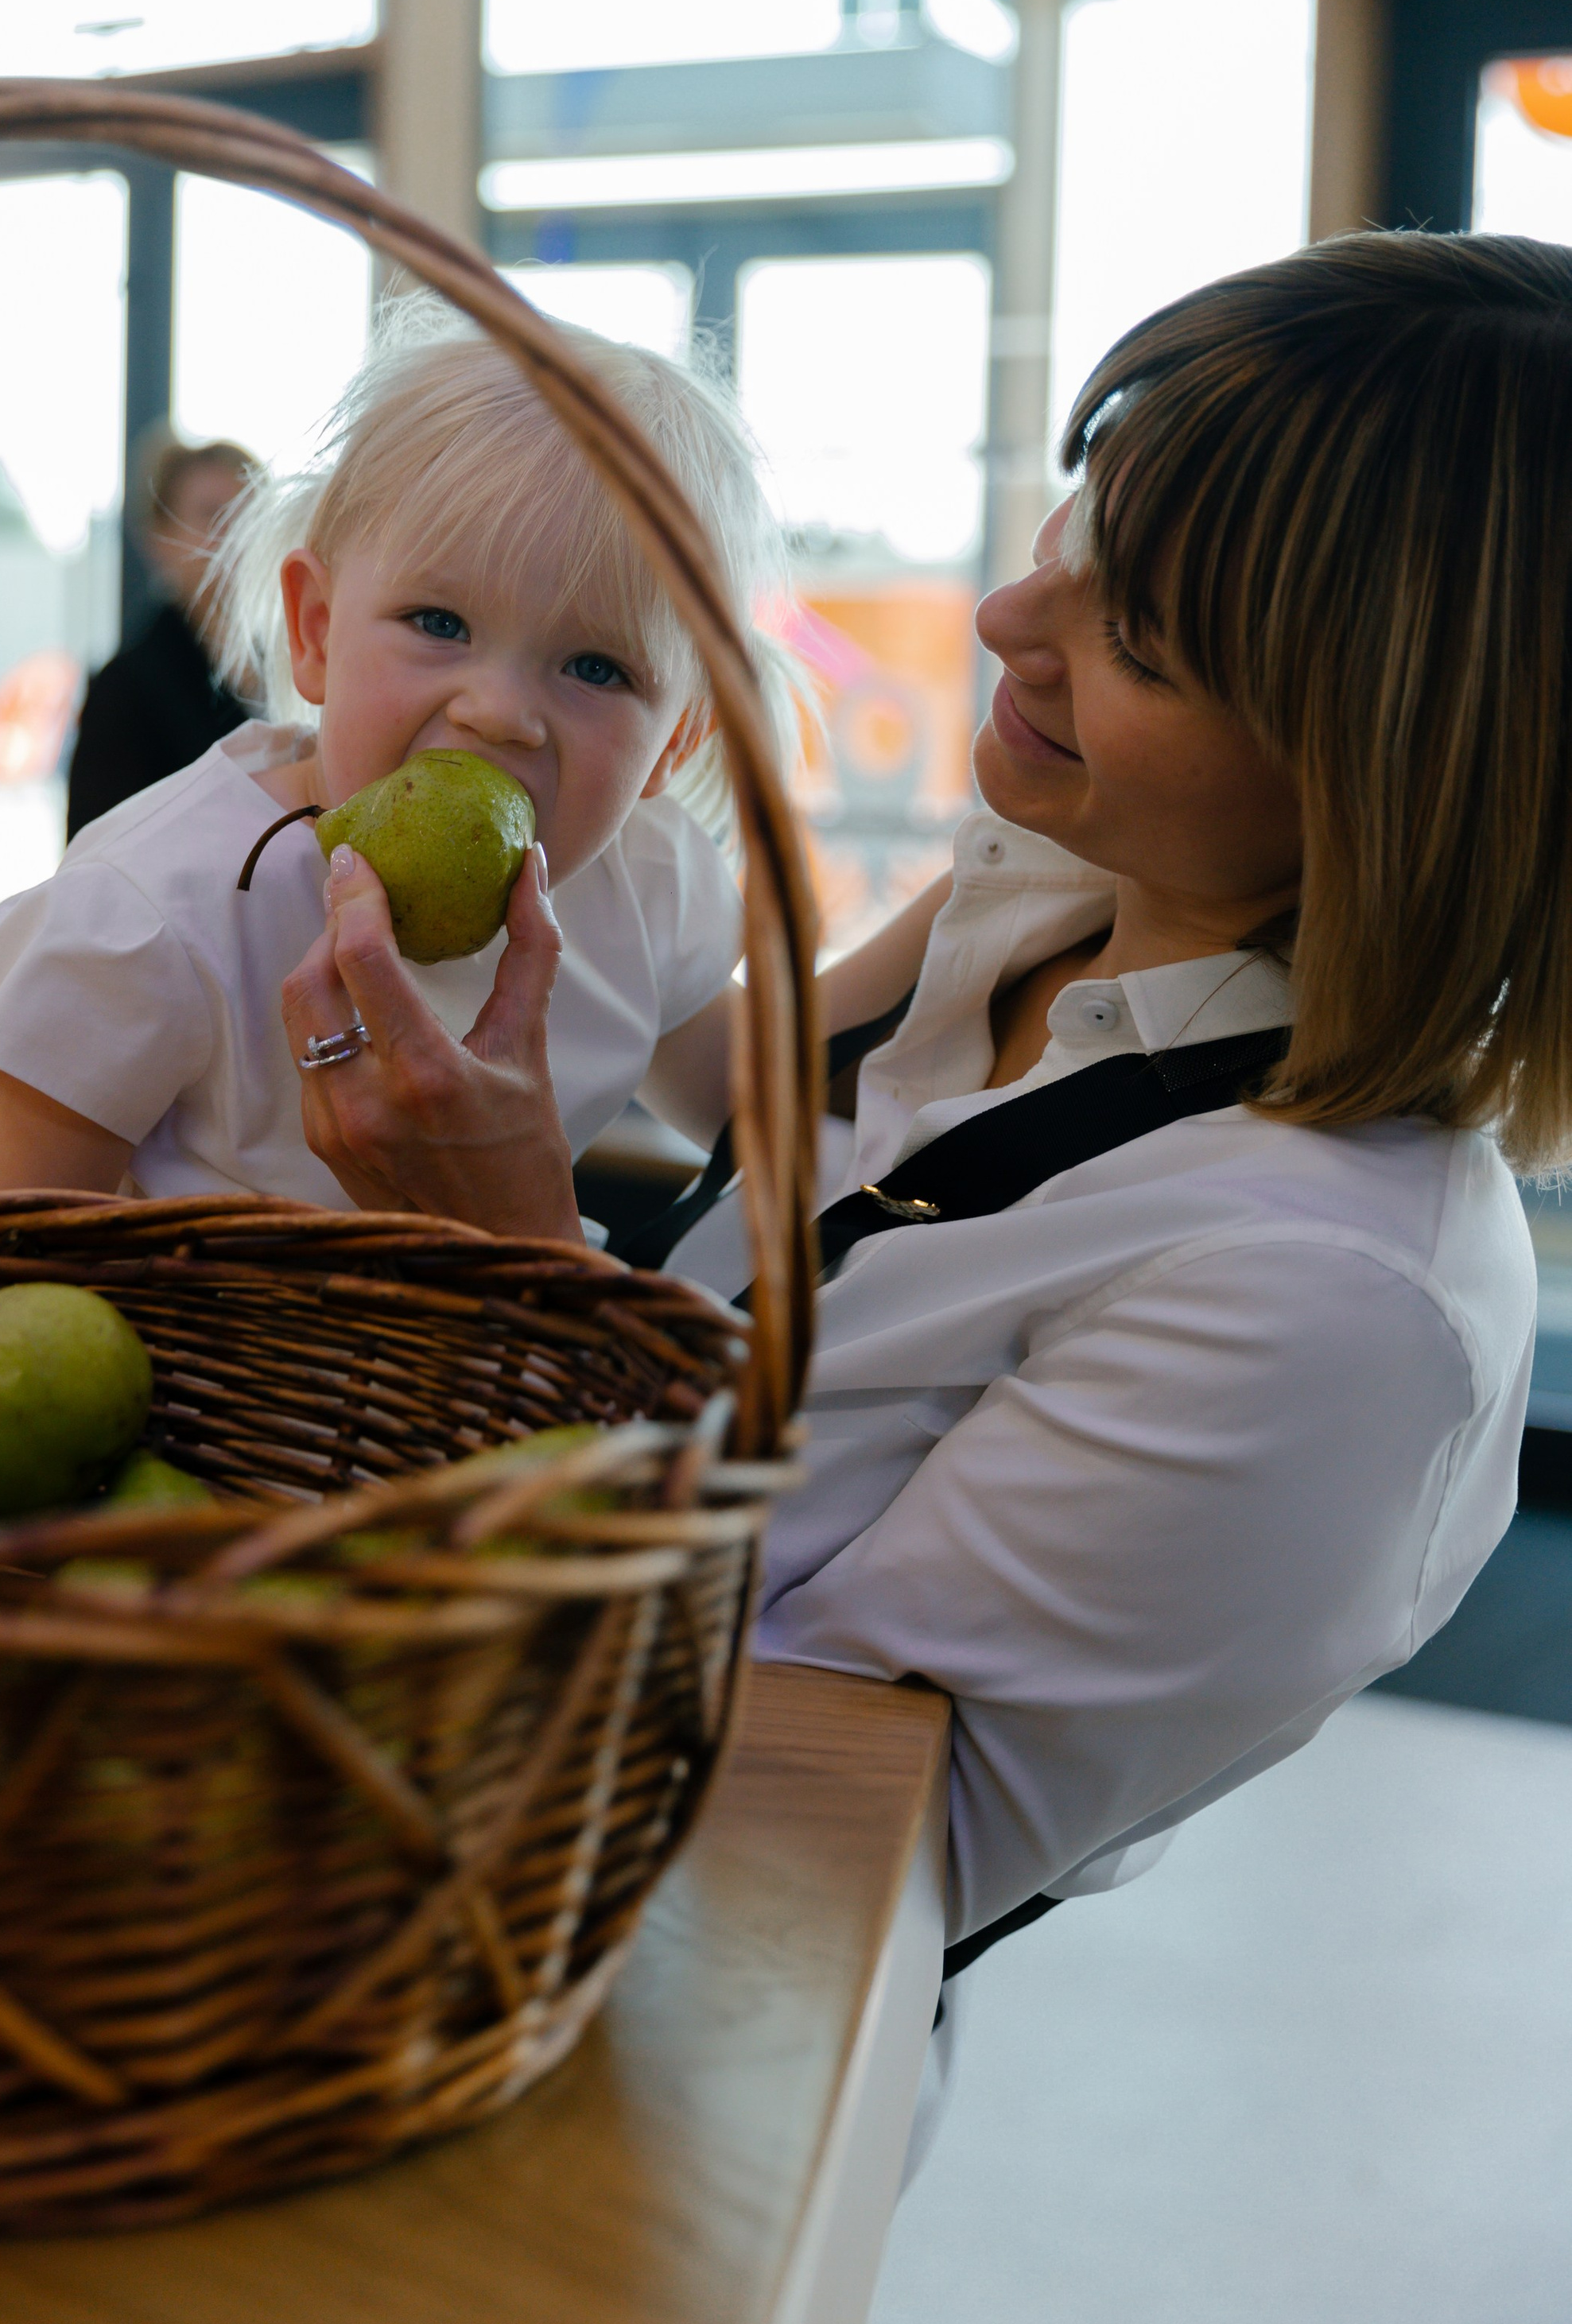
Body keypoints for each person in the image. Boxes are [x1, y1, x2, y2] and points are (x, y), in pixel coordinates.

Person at [271, 230, 1558, 1994]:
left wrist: (495, 1247)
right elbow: (757, 1106)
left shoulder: (1333, 1305)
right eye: (1076, 528)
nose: (1007, 621)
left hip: (615, 2021)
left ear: (1390, 770)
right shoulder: (1047, 891)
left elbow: (788, 1826)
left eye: (1143, 638)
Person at [0, 300, 796, 1206]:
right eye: (440, 623)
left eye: (596, 667)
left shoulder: (644, 885)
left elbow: (787, 1130)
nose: (499, 714)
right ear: (314, 631)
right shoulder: (151, 916)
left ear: (677, 741)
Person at [64, 429, 260, 837]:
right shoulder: (125, 688)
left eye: (253, 515)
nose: (237, 536)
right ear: (161, 538)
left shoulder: (297, 665)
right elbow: (94, 867)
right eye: (214, 516)